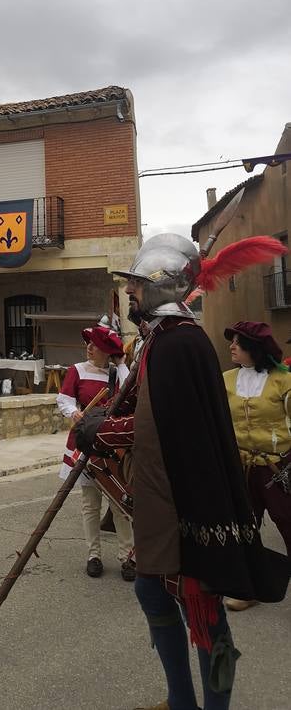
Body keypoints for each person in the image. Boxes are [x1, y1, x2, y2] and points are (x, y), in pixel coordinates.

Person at [79, 234, 289, 710]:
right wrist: (102, 420)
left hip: (191, 502)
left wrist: (104, 431)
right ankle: (180, 700)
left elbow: (163, 421)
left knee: (205, 614)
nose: (129, 294)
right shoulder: (160, 338)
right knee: (153, 595)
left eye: (136, 285)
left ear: (160, 285)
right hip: (164, 498)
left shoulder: (180, 342)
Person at [222, 321, 291, 612]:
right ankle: (248, 588)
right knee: (244, 528)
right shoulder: (225, 379)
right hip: (240, 466)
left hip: (276, 468)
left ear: (254, 348)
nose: (232, 347)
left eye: (237, 343)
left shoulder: (283, 380)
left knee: (289, 524)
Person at [57, 325, 135, 580]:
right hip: (85, 444)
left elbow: (130, 391)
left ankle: (128, 557)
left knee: (119, 502)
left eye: (94, 344)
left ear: (107, 352)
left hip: (110, 446)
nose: (88, 347)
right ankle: (94, 555)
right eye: (88, 343)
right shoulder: (77, 371)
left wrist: (121, 362)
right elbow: (64, 400)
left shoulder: (116, 375)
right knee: (90, 504)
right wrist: (74, 413)